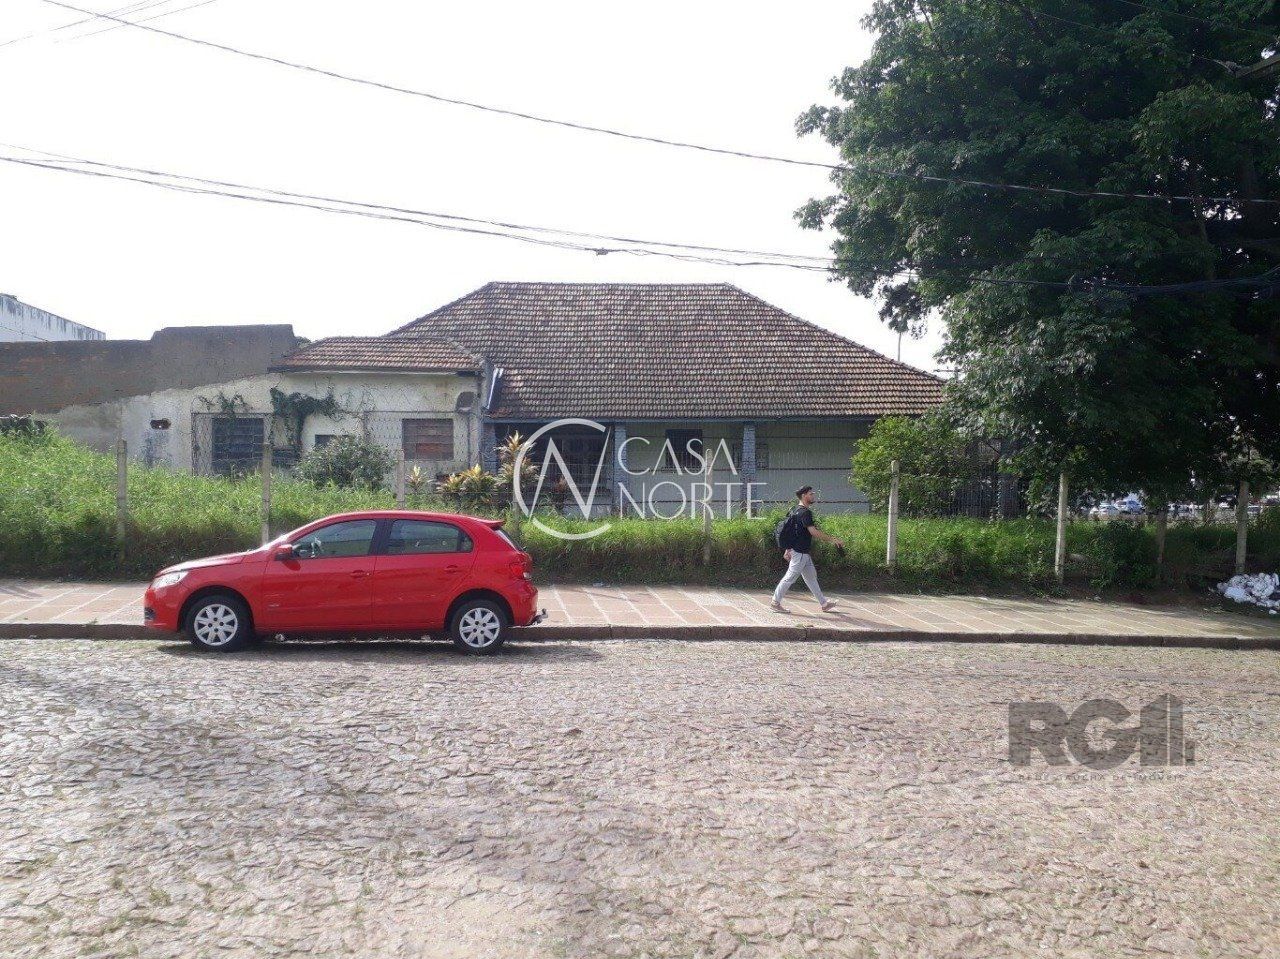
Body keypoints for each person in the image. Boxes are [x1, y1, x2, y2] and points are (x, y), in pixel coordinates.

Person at [771, 485, 843, 613]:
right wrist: (833, 540)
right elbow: (813, 532)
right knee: (789, 578)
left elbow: (790, 532)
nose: (813, 496)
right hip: (800, 553)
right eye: (811, 494)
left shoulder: (794, 510)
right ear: (804, 496)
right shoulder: (805, 512)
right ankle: (775, 603)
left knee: (811, 577)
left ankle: (824, 604)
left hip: (801, 552)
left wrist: (788, 549)